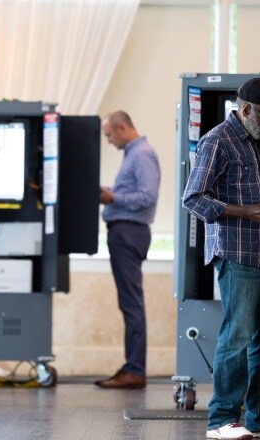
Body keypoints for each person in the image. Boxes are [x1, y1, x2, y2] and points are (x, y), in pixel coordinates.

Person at [182, 77, 260, 440]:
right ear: (246, 109)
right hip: (236, 252)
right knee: (236, 335)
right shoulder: (217, 141)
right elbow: (193, 199)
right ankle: (221, 419)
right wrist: (244, 212)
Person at [94, 111, 161, 389]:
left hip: (129, 233)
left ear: (122, 128)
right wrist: (111, 192)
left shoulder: (142, 154)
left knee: (131, 303)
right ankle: (132, 366)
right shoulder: (133, 154)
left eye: (109, 135)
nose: (108, 141)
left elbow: (147, 196)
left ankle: (135, 370)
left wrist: (112, 197)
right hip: (125, 232)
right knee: (129, 302)